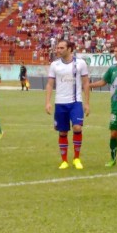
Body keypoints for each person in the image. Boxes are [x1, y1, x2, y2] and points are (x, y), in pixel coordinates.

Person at [45, 41, 90, 170]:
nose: (58, 50)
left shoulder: (80, 63)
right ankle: (64, 161)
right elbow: (49, 84)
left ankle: (76, 158)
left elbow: (86, 83)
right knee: (62, 131)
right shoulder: (54, 65)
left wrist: (87, 103)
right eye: (57, 47)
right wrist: (48, 102)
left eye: (61, 48)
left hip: (75, 102)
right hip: (60, 103)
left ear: (70, 49)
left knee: (77, 127)